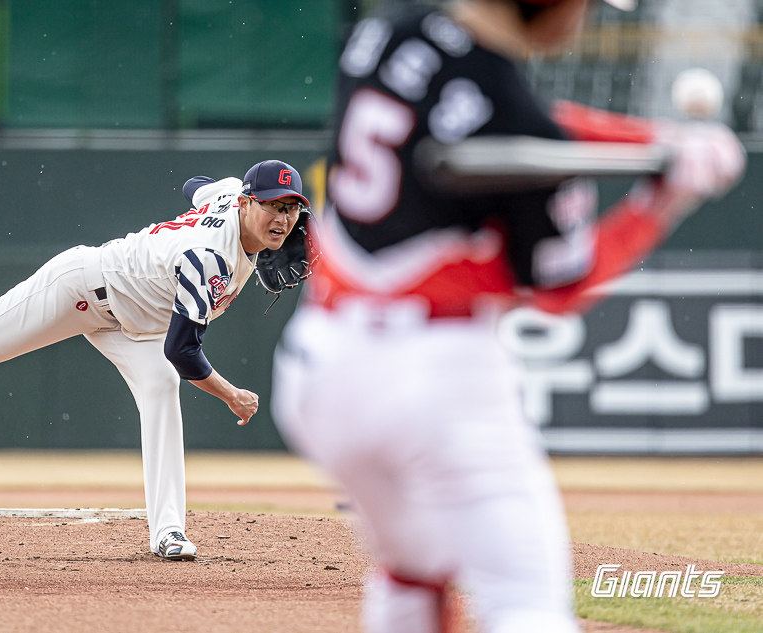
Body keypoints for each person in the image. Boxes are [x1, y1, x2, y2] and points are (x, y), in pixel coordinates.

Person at [271, 1, 744, 632]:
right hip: (437, 381)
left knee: (413, 571)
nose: (582, 19)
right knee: (525, 605)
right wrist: (663, 203)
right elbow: (561, 290)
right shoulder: (517, 118)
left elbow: (529, 124)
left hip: (318, 367)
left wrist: (656, 143)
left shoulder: (394, 28)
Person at [0, 159, 310, 561]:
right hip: (82, 288)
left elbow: (196, 184)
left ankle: (168, 530)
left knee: (160, 387)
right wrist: (231, 396)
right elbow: (182, 350)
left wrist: (224, 214)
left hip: (133, 324)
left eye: (291, 208)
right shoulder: (208, 259)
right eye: (273, 205)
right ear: (247, 203)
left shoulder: (230, 194)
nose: (284, 218)